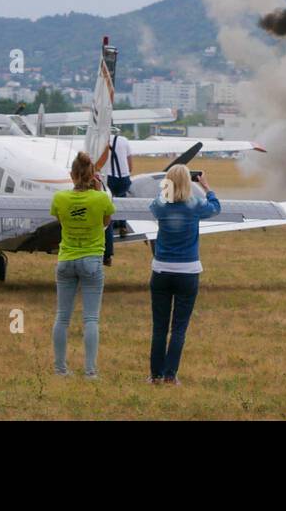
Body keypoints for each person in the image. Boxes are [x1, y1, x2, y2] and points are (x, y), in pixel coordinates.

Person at [148, 165, 220, 384]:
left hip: (161, 270)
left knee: (159, 328)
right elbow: (216, 207)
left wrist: (166, 187)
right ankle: (171, 375)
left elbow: (154, 203)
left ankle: (156, 375)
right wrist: (206, 187)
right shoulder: (195, 206)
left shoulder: (160, 206)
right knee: (178, 328)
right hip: (188, 272)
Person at [49, 152, 116, 378]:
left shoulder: (59, 198)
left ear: (71, 175)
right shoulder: (102, 199)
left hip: (66, 258)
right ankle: (90, 371)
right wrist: (98, 193)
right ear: (92, 176)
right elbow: (105, 223)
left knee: (62, 317)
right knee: (90, 319)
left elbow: (61, 220)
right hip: (91, 260)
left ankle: (60, 369)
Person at [102, 130, 133, 267]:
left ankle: (108, 254)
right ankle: (123, 225)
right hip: (124, 178)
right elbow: (130, 164)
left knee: (108, 211)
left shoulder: (101, 142)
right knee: (122, 199)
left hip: (109, 178)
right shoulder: (124, 140)